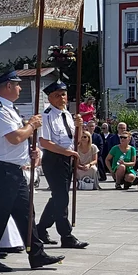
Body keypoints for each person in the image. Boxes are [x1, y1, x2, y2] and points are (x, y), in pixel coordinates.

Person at [0, 71, 62, 272]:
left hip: (12, 170)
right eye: (17, 84)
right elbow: (14, 137)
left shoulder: (7, 108)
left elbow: (16, 141)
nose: (20, 88)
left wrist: (30, 151)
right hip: (0, 171)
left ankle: (37, 254)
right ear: (7, 86)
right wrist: (31, 125)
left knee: (26, 213)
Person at [35, 82, 88, 249]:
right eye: (57, 95)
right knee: (62, 197)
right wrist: (66, 152)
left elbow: (76, 140)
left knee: (59, 196)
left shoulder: (67, 115)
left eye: (63, 94)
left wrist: (79, 126)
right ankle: (66, 235)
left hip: (67, 158)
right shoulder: (47, 116)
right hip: (54, 159)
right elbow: (44, 141)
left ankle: (41, 229)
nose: (62, 98)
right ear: (50, 97)